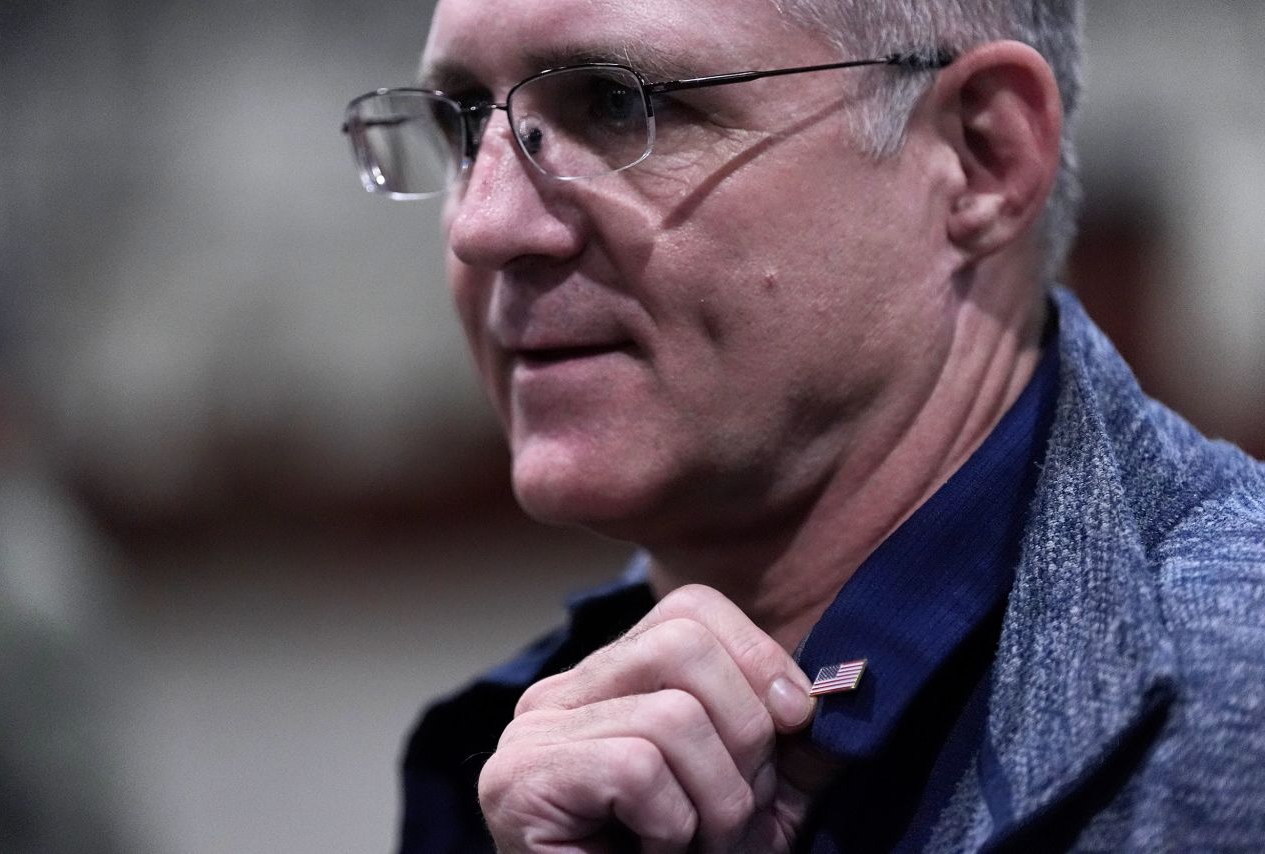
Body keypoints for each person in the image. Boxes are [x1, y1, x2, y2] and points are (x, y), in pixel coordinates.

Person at [341, 0, 1265, 850]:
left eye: (619, 105)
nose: (485, 225)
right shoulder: (516, 780)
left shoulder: (1237, 699)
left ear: (980, 156)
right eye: (461, 123)